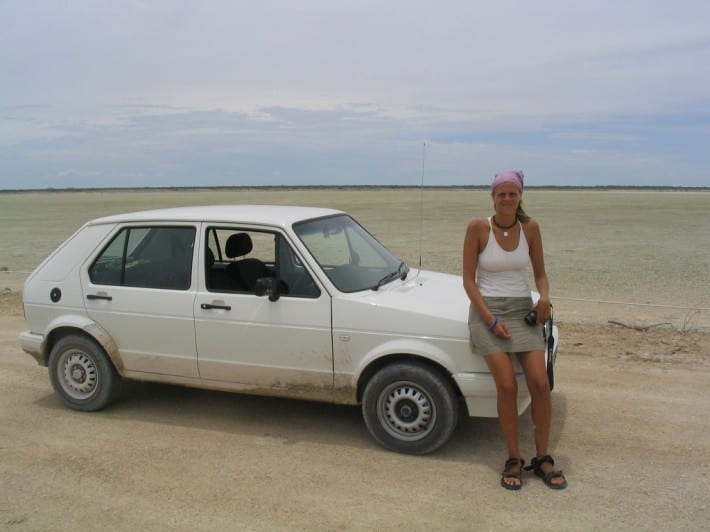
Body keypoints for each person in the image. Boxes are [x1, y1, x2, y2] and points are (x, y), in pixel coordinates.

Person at [462, 170, 567, 491]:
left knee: (539, 382)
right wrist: (491, 320)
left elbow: (540, 274)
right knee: (506, 386)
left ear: (520, 195)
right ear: (492, 197)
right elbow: (468, 280)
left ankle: (542, 457)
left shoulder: (531, 229)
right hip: (487, 312)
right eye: (501, 194)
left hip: (522, 310)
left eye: (512, 194)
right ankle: (513, 457)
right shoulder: (478, 228)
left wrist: (545, 299)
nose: (507, 199)